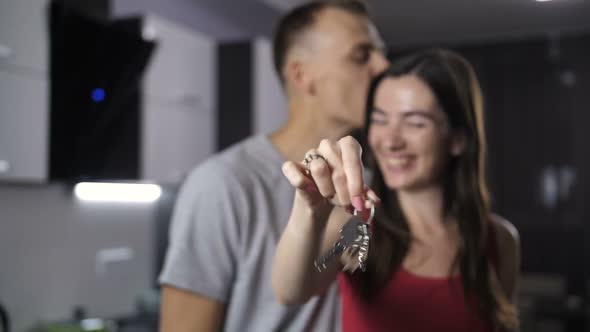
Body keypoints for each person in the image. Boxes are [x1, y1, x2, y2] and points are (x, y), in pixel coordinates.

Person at [158, 1, 389, 331]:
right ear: (302, 76)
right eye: (361, 55)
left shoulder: (367, 185)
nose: (383, 66)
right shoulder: (223, 184)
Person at [273, 49, 520, 332]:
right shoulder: (356, 227)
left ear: (458, 139)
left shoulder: (498, 240)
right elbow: (290, 291)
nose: (390, 142)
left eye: (415, 122)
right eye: (379, 120)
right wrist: (310, 209)